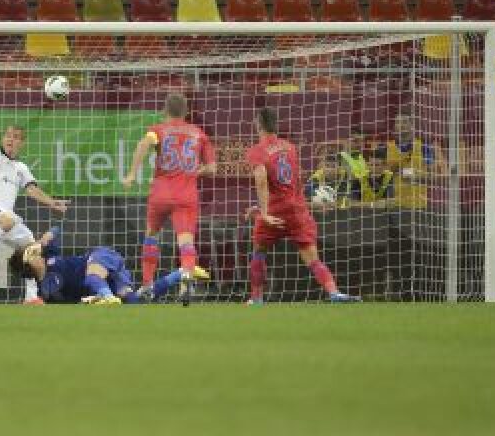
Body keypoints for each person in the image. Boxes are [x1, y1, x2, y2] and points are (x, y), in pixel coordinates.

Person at [244, 106, 358, 305]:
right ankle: (334, 293)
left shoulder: (257, 151)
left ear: (258, 126)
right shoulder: (290, 147)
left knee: (259, 252)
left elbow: (261, 179)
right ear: (276, 125)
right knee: (313, 258)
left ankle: (257, 299)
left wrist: (262, 212)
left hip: (274, 211)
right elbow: (293, 182)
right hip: (297, 209)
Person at [121, 92, 216, 306]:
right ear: (187, 112)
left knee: (151, 234)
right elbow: (212, 168)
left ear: (165, 111)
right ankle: (186, 281)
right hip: (186, 195)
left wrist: (132, 174)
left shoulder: (158, 130)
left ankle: (146, 285)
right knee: (186, 240)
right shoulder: (199, 133)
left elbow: (143, 145)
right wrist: (193, 171)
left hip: (161, 193)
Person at [0, 124, 70, 303]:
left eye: (16, 137)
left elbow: (33, 190)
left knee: (31, 249)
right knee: (7, 220)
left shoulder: (21, 168)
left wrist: (52, 203)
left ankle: (31, 297)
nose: (10, 139)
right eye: (8, 135)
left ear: (22, 143)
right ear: (3, 139)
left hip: (5, 221)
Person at [19, 228, 208, 305]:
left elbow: (56, 229)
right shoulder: (45, 287)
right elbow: (58, 300)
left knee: (92, 277)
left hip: (100, 257)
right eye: (32, 254)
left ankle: (108, 298)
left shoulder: (50, 255)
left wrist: (46, 237)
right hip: (108, 277)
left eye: (34, 250)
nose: (37, 253)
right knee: (134, 300)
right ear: (28, 267)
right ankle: (183, 272)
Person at [376, 111, 436, 208]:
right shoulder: (384, 148)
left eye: (404, 122)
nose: (400, 125)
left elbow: (434, 177)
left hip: (418, 206)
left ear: (412, 125)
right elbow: (375, 175)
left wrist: (413, 175)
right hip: (390, 206)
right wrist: (389, 170)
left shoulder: (424, 147)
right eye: (397, 122)